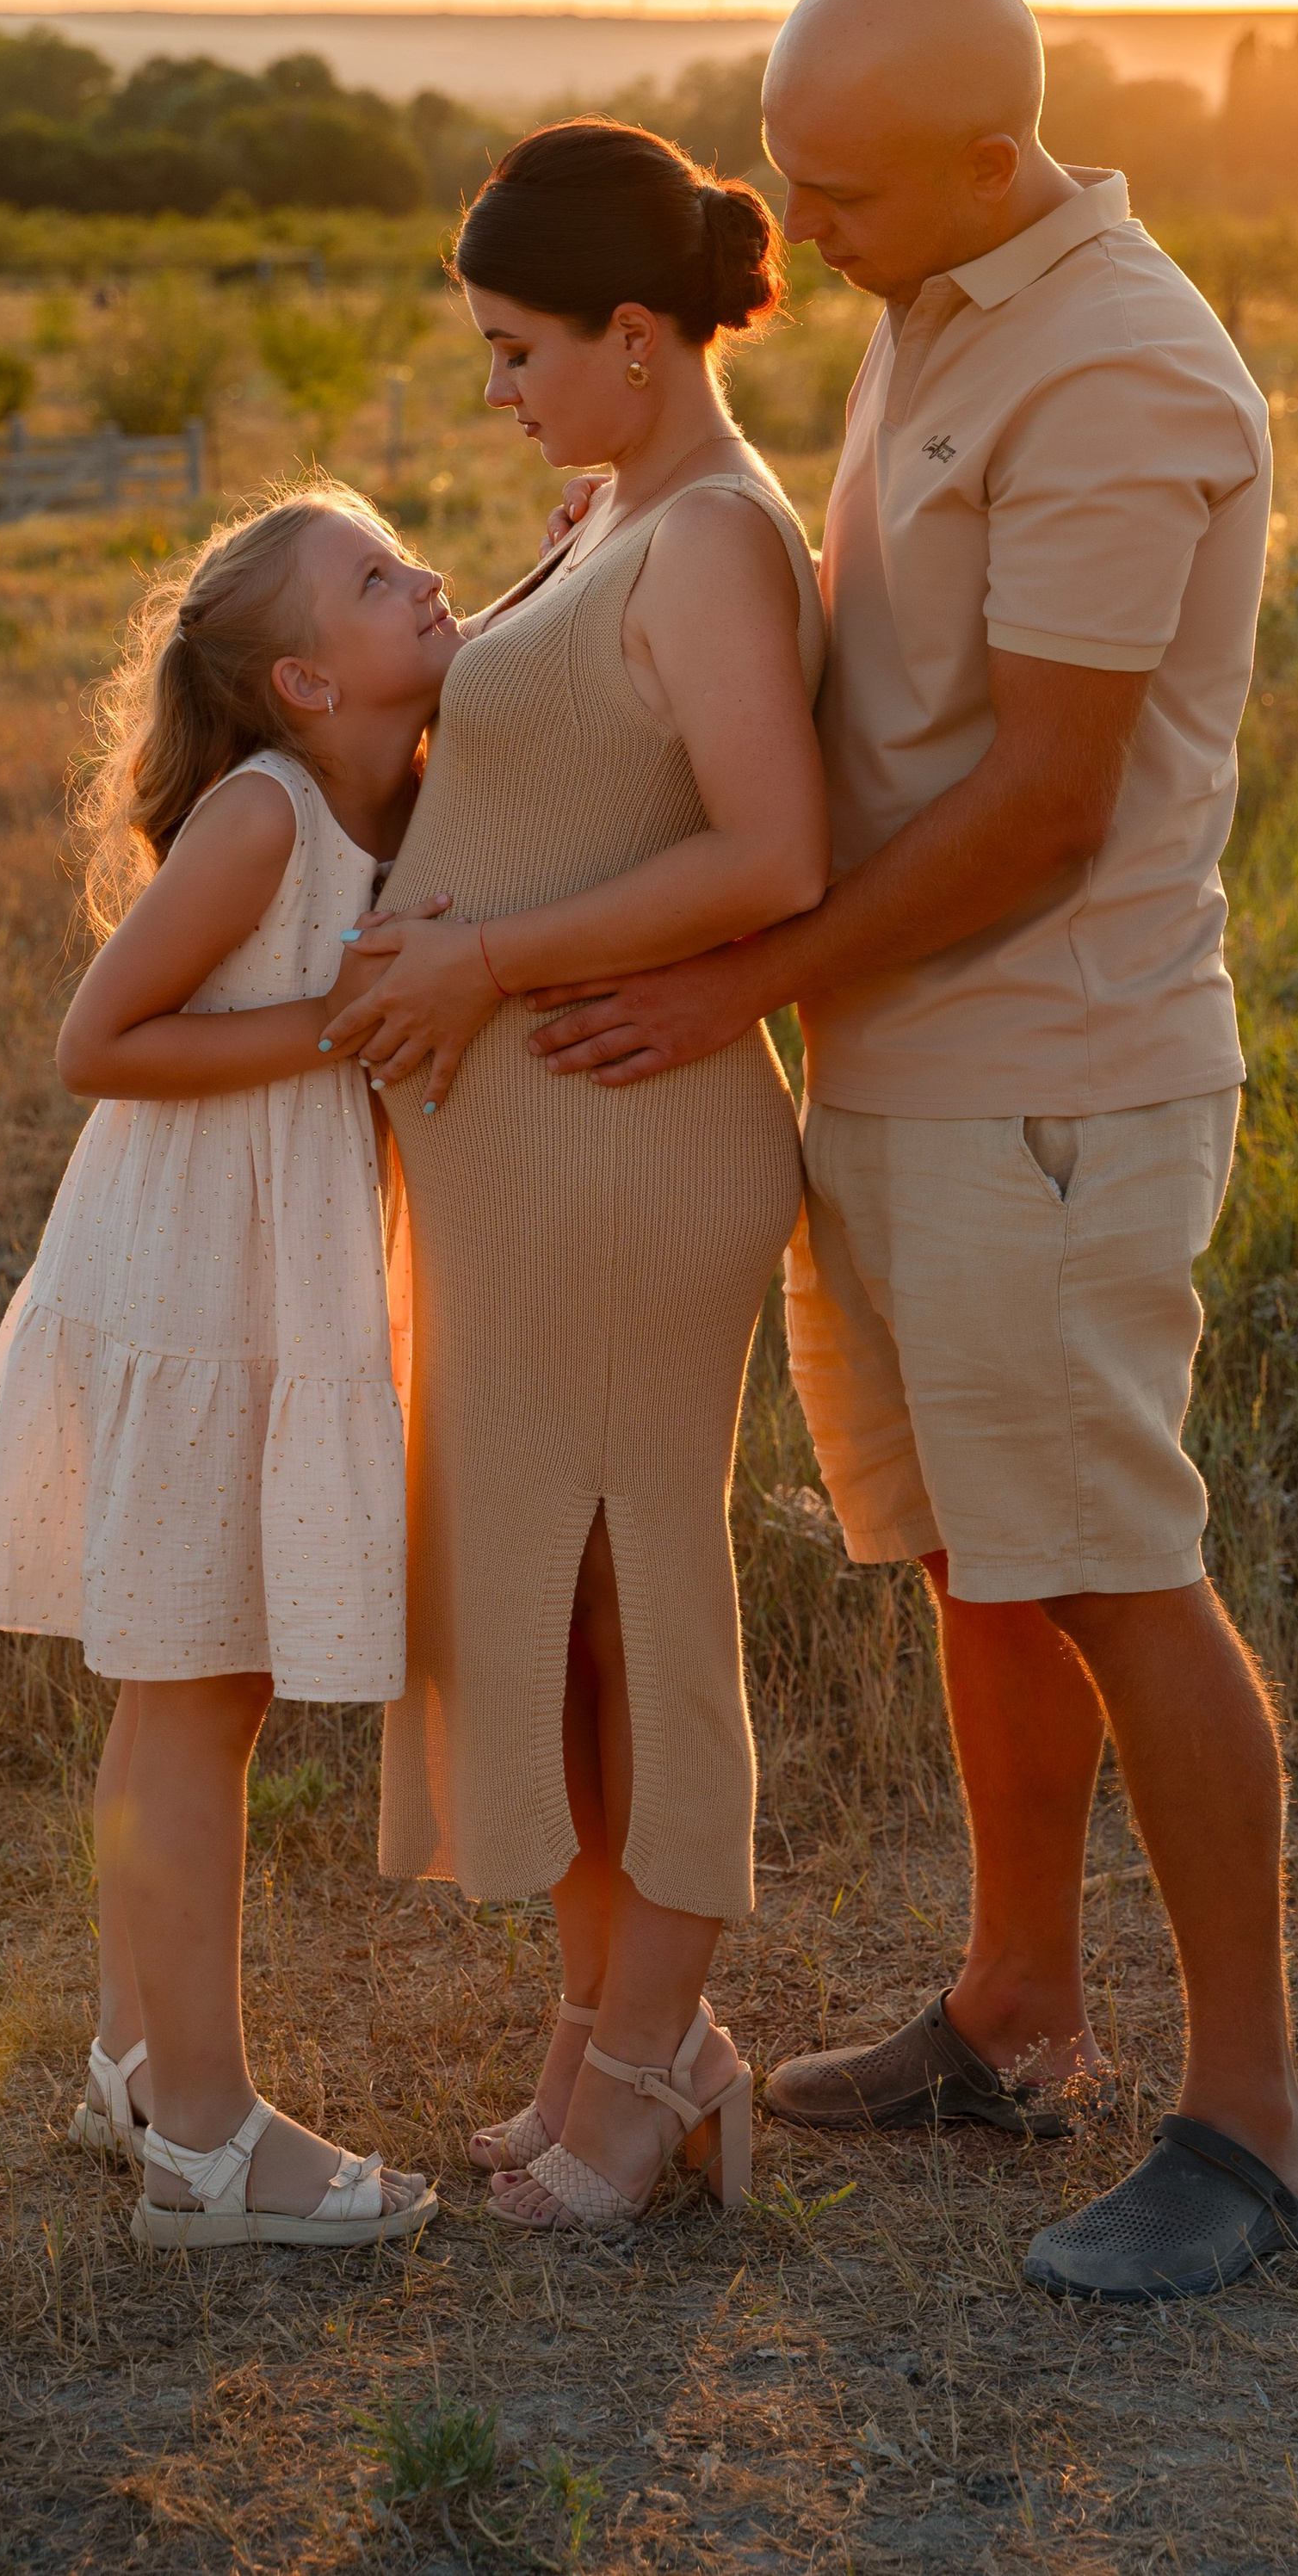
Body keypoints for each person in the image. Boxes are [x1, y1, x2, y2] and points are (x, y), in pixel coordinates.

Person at [522, 0, 1298, 2301]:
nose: (805, 233)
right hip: (901, 1066)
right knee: (987, 1559)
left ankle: (1256, 2127)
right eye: (787, 178)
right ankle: (1013, 2014)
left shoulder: (1119, 365)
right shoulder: (942, 279)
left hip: (1050, 1085)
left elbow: (1049, 806)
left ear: (996, 154)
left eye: (843, 192)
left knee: (1109, 1560)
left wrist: (730, 990)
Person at [321, 120, 828, 2237]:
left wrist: (483, 956)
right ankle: (618, 2041)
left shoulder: (710, 533)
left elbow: (769, 855)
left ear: (638, 334)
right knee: (555, 1622)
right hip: (540, 1165)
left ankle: (643, 2067)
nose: (498, 391)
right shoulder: (622, 502)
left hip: (631, 1151)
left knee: (634, 1612)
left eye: (521, 351)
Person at [0, 479, 454, 2254]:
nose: (425, 581)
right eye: (381, 579)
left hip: (259, 1263)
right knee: (194, 1691)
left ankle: (136, 2063)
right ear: (304, 682)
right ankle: (213, 2142)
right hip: (192, 1275)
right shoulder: (263, 815)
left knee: (188, 1688)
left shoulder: (379, 786)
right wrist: (339, 1022)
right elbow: (100, 1038)